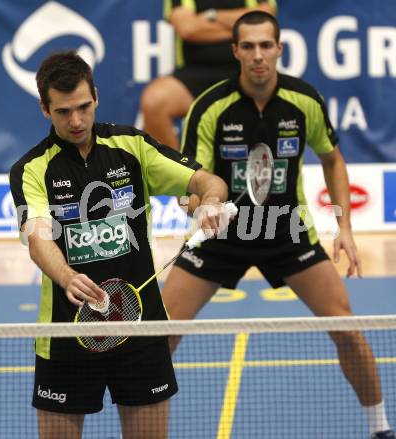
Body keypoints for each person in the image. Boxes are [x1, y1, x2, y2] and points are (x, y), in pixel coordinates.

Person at [161, 11, 395, 439]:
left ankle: (381, 428)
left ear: (279, 49)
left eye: (265, 45)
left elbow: (332, 159)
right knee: (160, 335)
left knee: (346, 328)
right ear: (235, 52)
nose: (257, 56)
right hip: (221, 235)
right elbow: (185, 179)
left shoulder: (304, 100)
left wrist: (344, 228)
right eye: (247, 46)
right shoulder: (210, 106)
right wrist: (199, 210)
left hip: (287, 231)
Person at [9, 50, 230, 439]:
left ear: (95, 96)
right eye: (63, 112)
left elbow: (204, 180)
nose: (76, 121)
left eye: (83, 106)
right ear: (45, 109)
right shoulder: (32, 169)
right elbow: (38, 237)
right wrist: (65, 275)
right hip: (67, 333)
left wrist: (210, 203)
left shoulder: (132, 147)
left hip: (140, 329)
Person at [140, 0, 277, 150]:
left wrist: (212, 16)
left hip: (247, 72)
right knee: (155, 101)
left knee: (279, 96)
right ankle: (177, 170)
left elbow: (265, 20)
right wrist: (243, 29)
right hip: (194, 73)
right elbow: (188, 29)